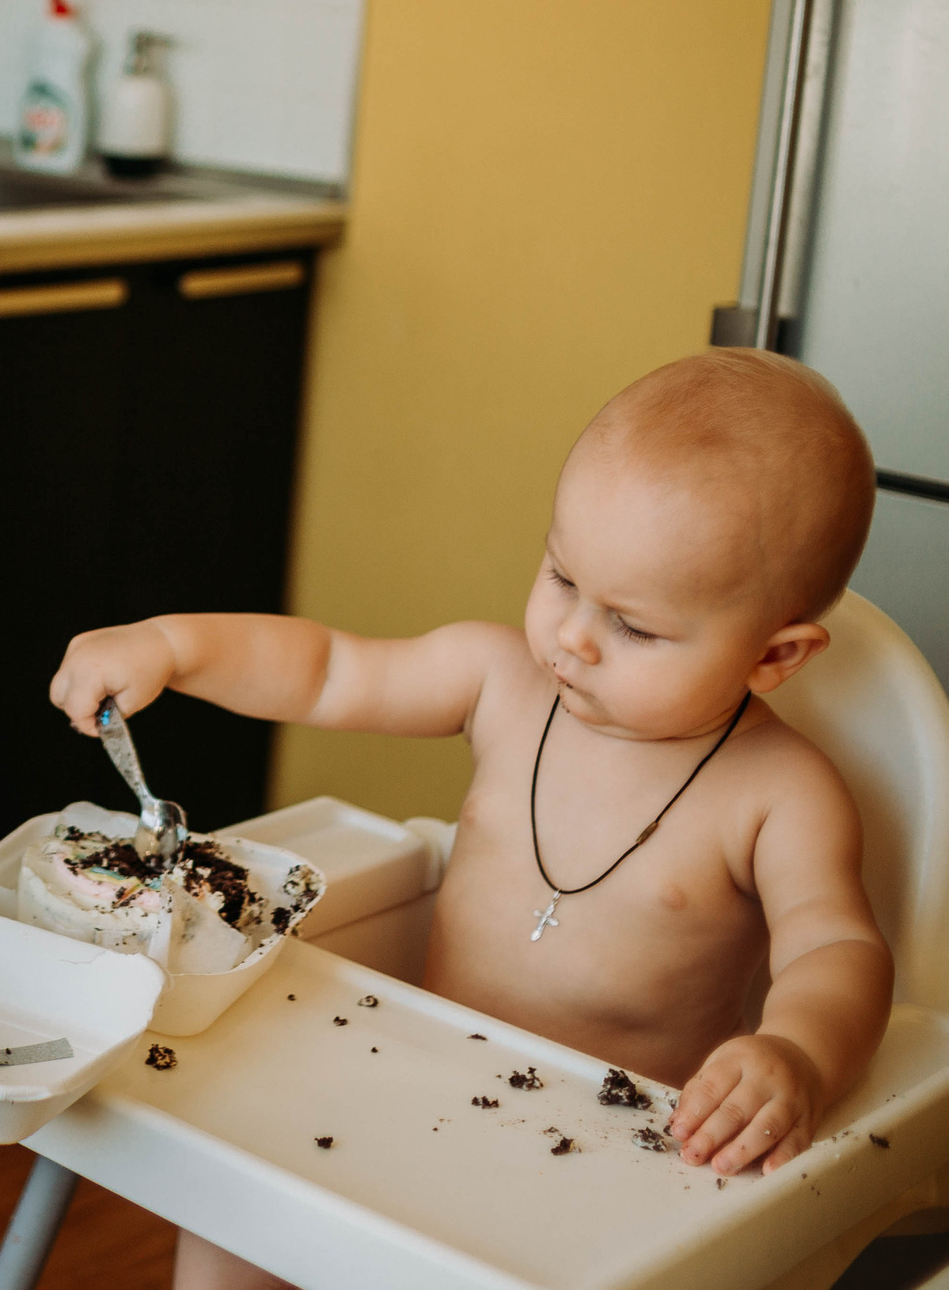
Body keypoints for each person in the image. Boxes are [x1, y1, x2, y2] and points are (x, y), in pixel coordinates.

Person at [47, 349, 892, 1290]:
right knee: (231, 1213)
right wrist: (173, 643)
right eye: (563, 577)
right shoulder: (501, 681)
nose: (571, 637)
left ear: (775, 656)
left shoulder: (780, 790)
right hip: (412, 1084)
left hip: (594, 1165)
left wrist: (797, 1054)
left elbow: (837, 950)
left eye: (635, 626)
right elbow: (330, 669)